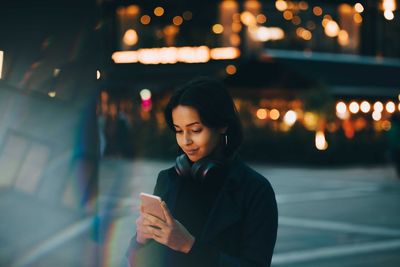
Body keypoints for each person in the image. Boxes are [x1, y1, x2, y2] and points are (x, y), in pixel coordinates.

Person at [125, 77, 278, 267]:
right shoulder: (168, 179)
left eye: (195, 130)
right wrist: (140, 240)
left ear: (223, 125)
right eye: (179, 131)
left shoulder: (255, 190)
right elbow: (136, 261)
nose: (185, 141)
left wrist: (189, 246)